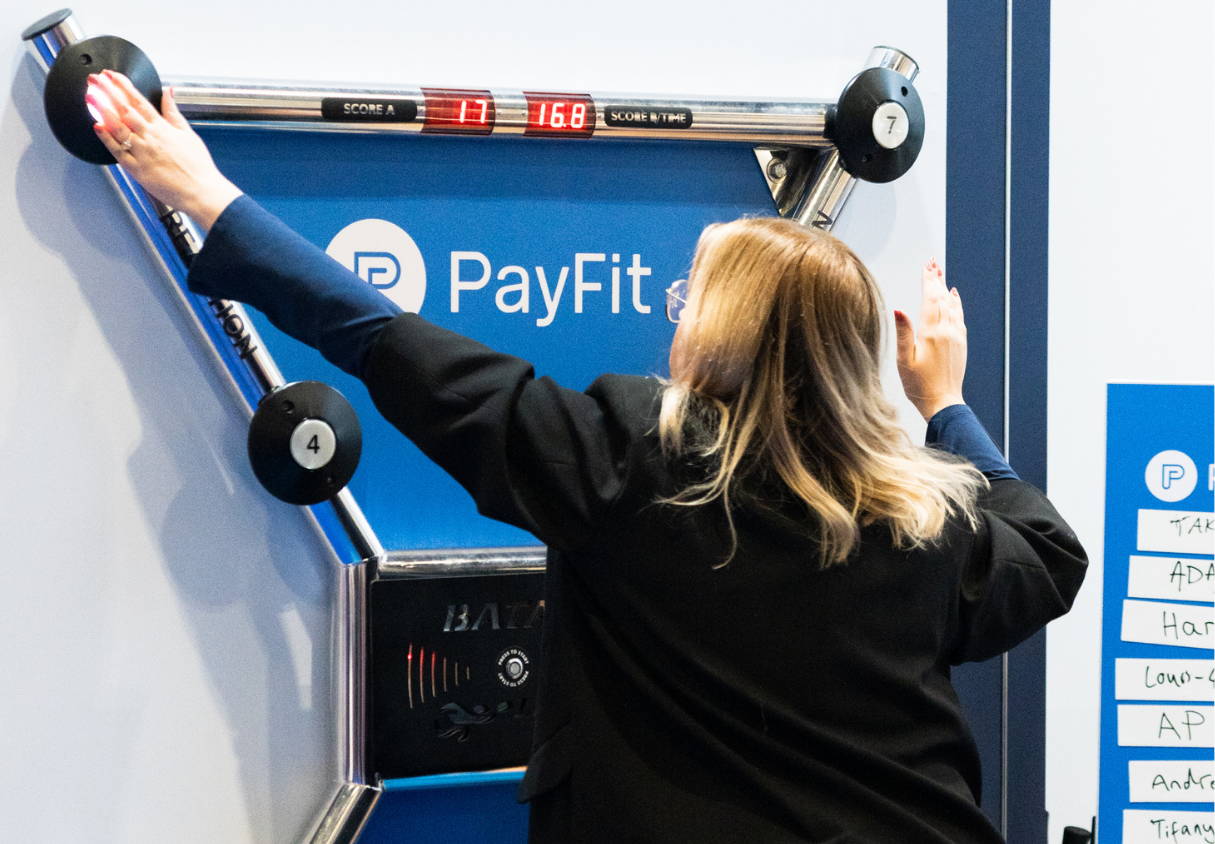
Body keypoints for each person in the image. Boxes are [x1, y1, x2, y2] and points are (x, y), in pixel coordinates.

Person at [86, 69, 1086, 844]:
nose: (672, 312)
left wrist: (206, 194)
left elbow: (383, 338)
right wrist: (946, 404)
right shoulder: (929, 524)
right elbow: (1049, 549)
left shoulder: (631, 465)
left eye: (690, 297)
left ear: (722, 334)